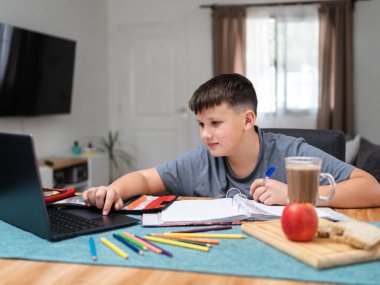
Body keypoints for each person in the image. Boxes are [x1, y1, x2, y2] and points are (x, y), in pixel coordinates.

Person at [83, 73, 380, 215]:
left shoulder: (291, 152)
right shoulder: (203, 159)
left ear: (247, 120)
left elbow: (371, 188)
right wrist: (113, 190)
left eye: (215, 124)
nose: (205, 135)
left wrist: (296, 194)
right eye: (201, 125)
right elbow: (147, 178)